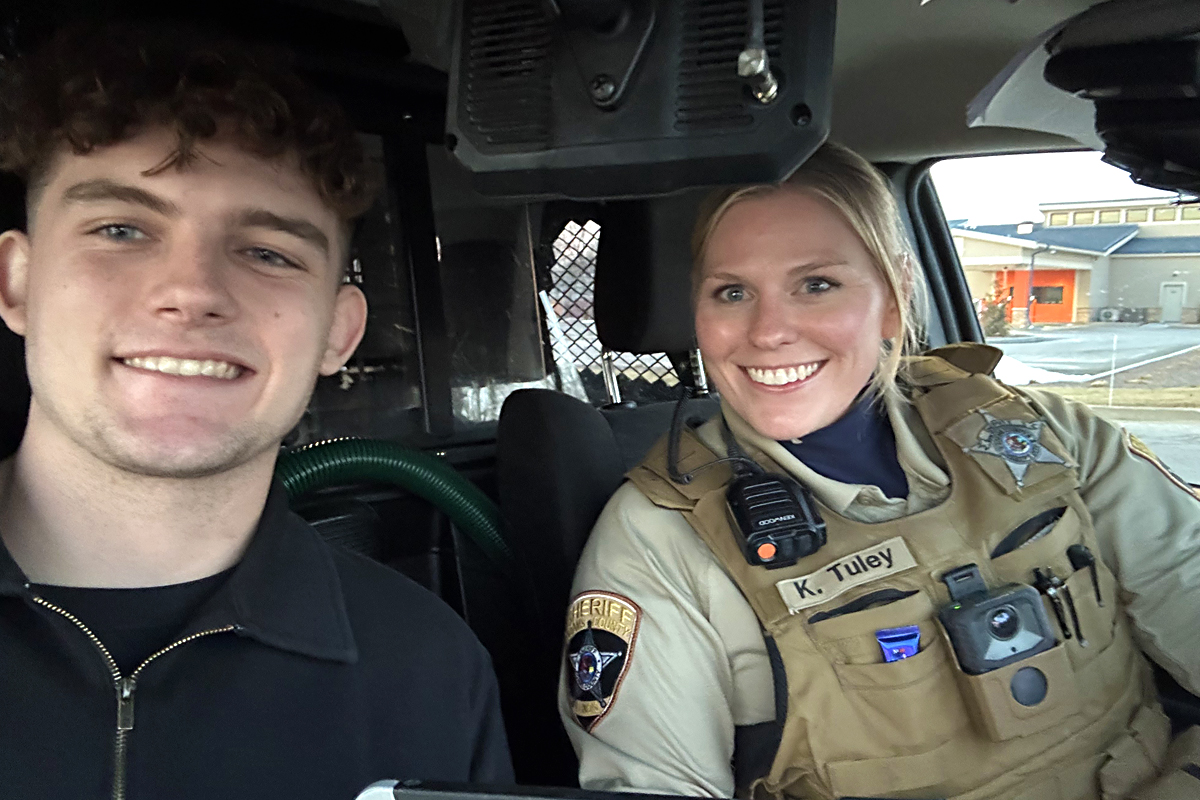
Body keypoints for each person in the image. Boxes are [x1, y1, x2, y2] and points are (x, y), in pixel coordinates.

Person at [559, 142, 1200, 800]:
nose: (769, 330)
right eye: (732, 292)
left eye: (816, 285)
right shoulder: (659, 540)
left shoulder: (1041, 433)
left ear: (893, 300)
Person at [0, 23, 512, 799]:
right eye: (121, 229)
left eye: (268, 252)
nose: (194, 291)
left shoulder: (430, 666)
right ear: (16, 283)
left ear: (338, 332)